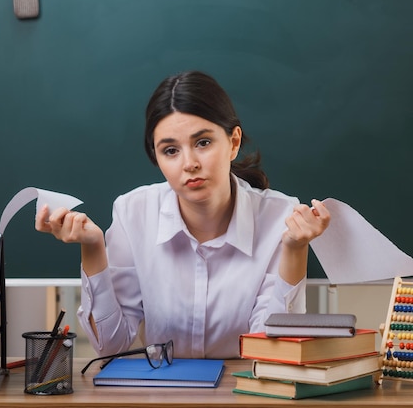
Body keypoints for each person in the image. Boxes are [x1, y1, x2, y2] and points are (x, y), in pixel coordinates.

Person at [35, 70, 330, 359]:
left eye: (203, 143)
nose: (189, 164)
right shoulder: (133, 212)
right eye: (171, 150)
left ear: (234, 142)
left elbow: (272, 350)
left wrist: (295, 249)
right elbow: (111, 346)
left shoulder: (280, 217)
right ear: (157, 157)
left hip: (243, 393)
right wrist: (93, 248)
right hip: (161, 394)